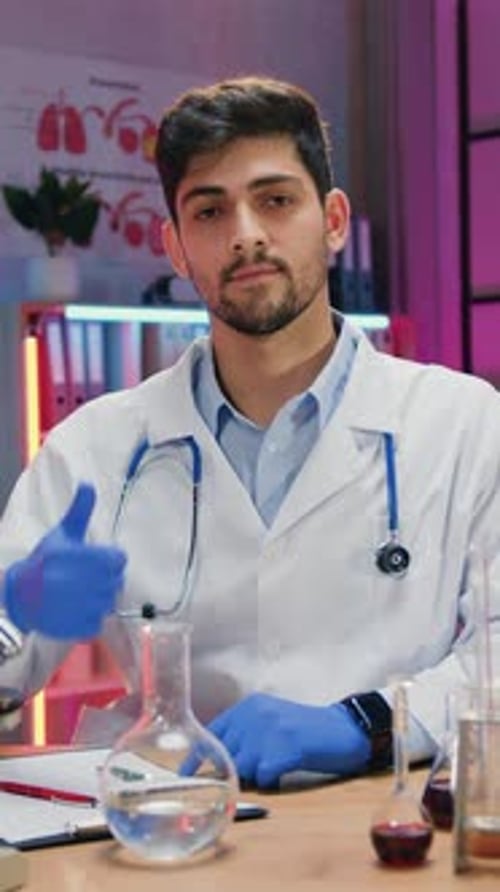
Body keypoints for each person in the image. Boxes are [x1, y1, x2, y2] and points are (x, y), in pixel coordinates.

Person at [0, 76, 499, 788]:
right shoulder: (95, 449)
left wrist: (367, 722)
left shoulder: (464, 423)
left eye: (275, 200)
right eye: (210, 210)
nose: (246, 234)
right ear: (175, 247)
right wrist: (14, 620)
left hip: (380, 825)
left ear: (331, 221)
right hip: (159, 829)